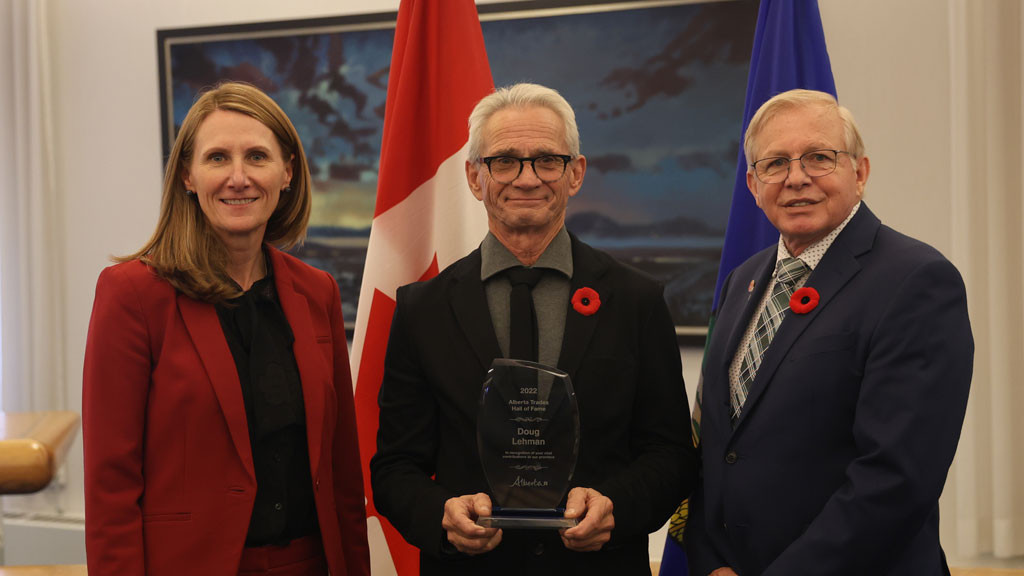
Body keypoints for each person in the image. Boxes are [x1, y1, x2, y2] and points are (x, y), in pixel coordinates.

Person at [369, 82, 696, 575]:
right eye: (504, 161)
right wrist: (441, 516)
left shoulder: (636, 301)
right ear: (475, 177)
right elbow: (395, 467)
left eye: (547, 159)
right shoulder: (423, 308)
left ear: (576, 173)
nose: (526, 178)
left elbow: (670, 455)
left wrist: (616, 507)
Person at [82, 82, 370, 576]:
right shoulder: (131, 294)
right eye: (217, 158)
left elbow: (342, 471)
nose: (238, 177)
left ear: (287, 173)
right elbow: (111, 486)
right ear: (188, 177)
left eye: (257, 156)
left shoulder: (316, 291)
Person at [684, 89, 973, 576]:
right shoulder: (742, 280)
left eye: (819, 157)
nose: (797, 178)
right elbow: (716, 449)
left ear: (859, 173)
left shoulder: (917, 281)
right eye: (775, 164)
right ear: (754, 185)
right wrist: (711, 562)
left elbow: (897, 479)